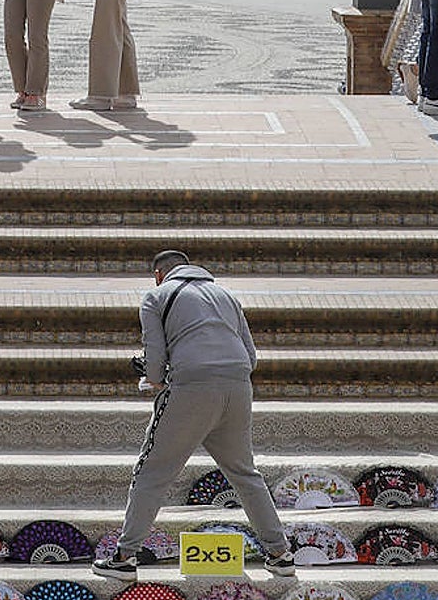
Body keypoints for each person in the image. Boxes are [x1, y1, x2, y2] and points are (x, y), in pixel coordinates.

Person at [91, 249, 297, 581]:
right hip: (237, 388)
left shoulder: (157, 296)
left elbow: (154, 353)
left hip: (190, 388)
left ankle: (125, 557)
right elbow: (251, 355)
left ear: (159, 274)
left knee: (152, 472)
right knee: (245, 474)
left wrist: (154, 378)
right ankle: (279, 553)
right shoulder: (226, 295)